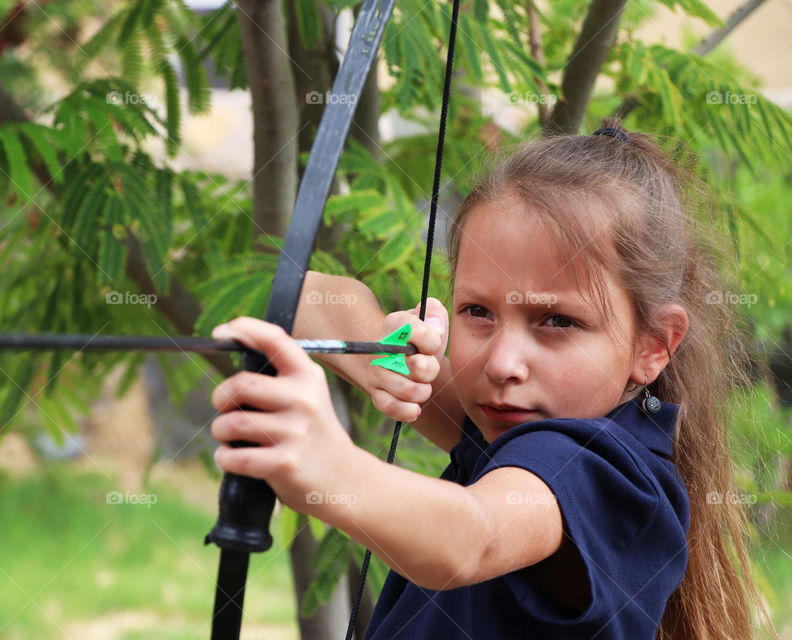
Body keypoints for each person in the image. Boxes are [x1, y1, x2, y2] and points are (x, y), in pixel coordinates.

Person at [208, 118, 776, 639]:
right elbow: (308, 298)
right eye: (478, 311)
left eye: (558, 321)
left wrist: (331, 466)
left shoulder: (605, 471)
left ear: (653, 345)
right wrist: (381, 357)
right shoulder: (508, 418)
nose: (502, 363)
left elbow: (470, 538)